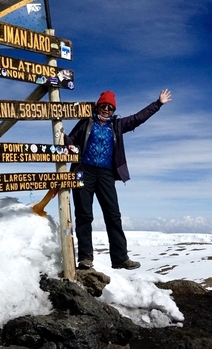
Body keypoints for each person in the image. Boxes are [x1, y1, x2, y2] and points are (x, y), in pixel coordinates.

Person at [65, 89, 172, 270]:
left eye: (110, 107)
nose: (106, 109)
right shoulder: (85, 122)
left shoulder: (117, 126)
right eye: (103, 105)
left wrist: (158, 104)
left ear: (113, 110)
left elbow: (138, 118)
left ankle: (120, 258)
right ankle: (85, 258)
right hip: (84, 171)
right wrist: (62, 136)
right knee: (84, 215)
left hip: (106, 174)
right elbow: (71, 139)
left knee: (113, 215)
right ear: (98, 106)